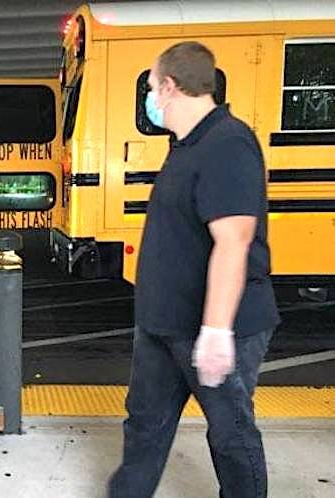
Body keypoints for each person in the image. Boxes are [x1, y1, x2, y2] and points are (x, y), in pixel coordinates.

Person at [108, 42, 280, 498]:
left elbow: (233, 241)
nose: (150, 98)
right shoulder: (186, 145)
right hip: (165, 325)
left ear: (168, 86)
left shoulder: (229, 143)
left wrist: (217, 331)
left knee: (231, 436)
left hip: (216, 329)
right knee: (144, 425)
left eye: (149, 88)